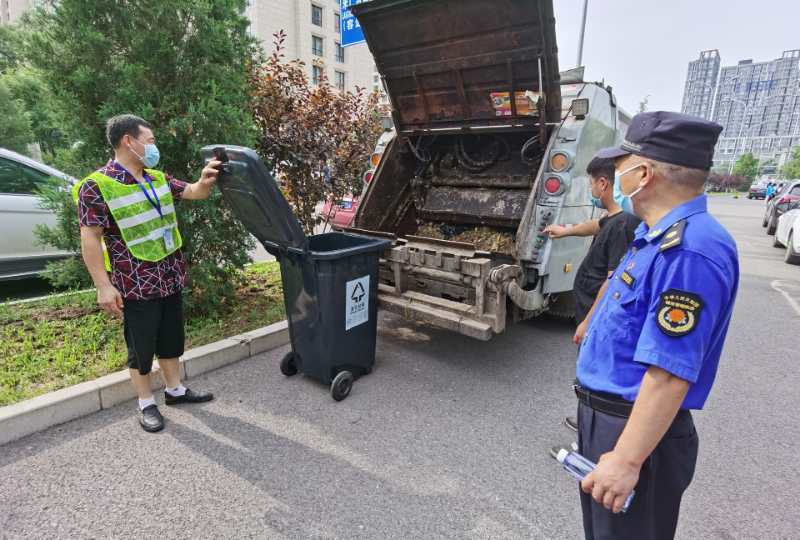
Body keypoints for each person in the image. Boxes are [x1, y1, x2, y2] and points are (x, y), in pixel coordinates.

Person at [571, 111, 739, 539]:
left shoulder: (689, 251)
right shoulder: (656, 235)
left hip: (636, 434)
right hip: (615, 423)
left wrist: (627, 459)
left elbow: (668, 373)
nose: (615, 175)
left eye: (621, 165)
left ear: (643, 174)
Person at [74, 114, 224, 433]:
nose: (154, 146)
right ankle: (146, 402)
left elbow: (194, 192)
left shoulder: (157, 178)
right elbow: (90, 238)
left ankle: (175, 391)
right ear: (129, 141)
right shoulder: (97, 185)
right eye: (151, 140)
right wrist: (103, 286)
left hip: (168, 275)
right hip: (135, 283)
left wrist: (207, 177)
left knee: (171, 340)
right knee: (141, 347)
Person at [544, 157, 641, 343]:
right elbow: (596, 225)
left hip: (598, 321)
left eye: (591, 184)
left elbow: (614, 280)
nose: (591, 189)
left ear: (603, 184)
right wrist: (565, 231)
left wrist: (588, 322)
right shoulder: (615, 218)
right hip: (593, 315)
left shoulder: (622, 225)